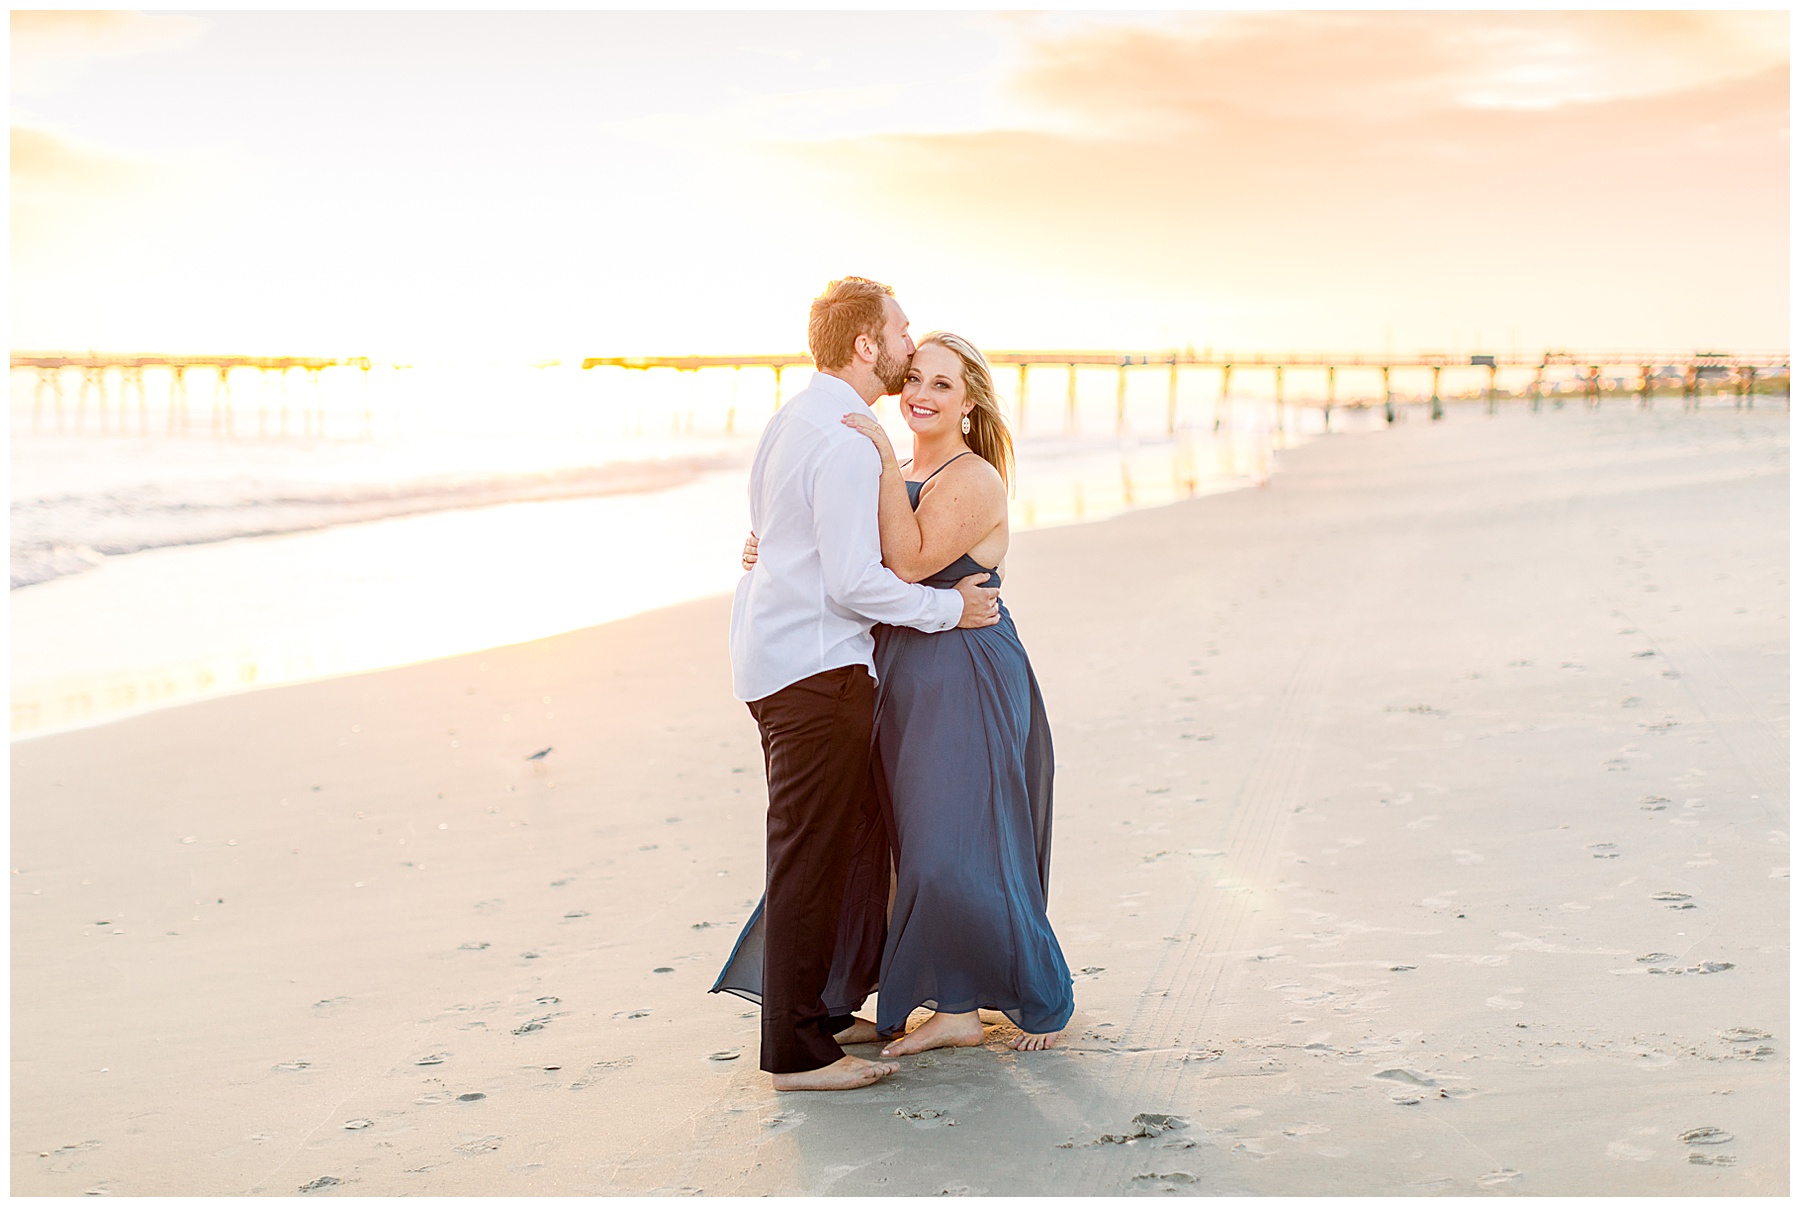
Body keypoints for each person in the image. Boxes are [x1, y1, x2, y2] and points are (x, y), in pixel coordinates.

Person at [733, 332, 1074, 1056]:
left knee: (949, 841)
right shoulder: (887, 459)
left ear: (970, 400)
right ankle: (844, 995)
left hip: (961, 667)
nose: (920, 392)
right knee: (895, 838)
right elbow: (842, 546)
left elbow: (912, 557)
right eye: (914, 376)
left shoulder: (972, 476)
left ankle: (960, 1006)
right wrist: (774, 544)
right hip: (896, 664)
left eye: (942, 384)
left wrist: (883, 459)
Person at [712, 278, 1002, 1093]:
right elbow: (853, 582)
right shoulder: (844, 438)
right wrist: (949, 610)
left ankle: (827, 1007)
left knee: (842, 846)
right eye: (902, 330)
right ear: (868, 345)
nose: (911, 344)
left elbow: (773, 538)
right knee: (809, 855)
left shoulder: (790, 421)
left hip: (775, 659)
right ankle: (797, 1050)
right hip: (816, 667)